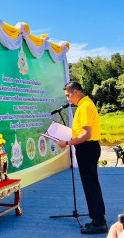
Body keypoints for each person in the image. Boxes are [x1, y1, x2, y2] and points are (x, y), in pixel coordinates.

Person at [56, 81, 108, 235]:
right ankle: (97, 218)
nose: (68, 99)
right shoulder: (85, 104)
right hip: (88, 148)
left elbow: (86, 135)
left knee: (90, 185)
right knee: (91, 184)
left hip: (87, 148)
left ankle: (99, 222)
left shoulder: (84, 106)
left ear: (76, 92)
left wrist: (67, 142)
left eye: (68, 95)